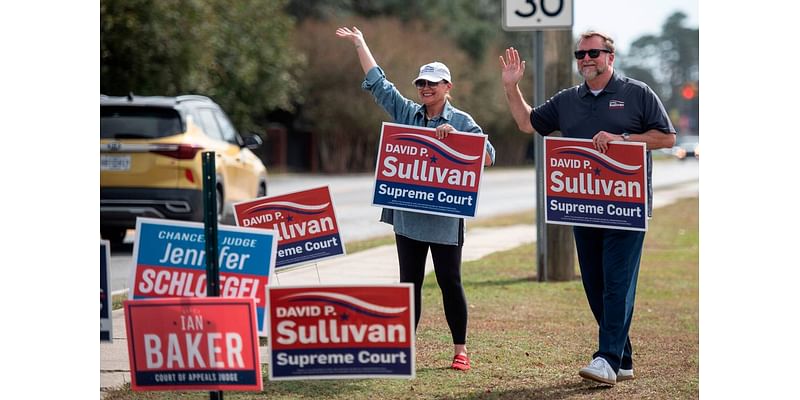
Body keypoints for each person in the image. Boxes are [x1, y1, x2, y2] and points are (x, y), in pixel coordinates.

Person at [499, 31, 676, 385]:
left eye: (594, 52)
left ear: (611, 56)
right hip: (584, 208)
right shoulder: (569, 99)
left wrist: (623, 139)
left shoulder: (636, 93)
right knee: (595, 284)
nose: (586, 59)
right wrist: (511, 87)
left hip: (627, 208)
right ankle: (622, 358)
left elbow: (666, 137)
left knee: (617, 283)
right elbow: (526, 122)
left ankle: (606, 359)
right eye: (580, 54)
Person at [336, 26, 496, 371]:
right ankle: (404, 349)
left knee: (449, 281)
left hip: (444, 220)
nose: (425, 88)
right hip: (407, 218)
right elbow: (380, 85)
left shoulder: (462, 121)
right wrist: (361, 42)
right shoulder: (408, 114)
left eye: (432, 84)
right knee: (409, 282)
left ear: (447, 88)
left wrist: (456, 140)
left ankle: (460, 350)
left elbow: (488, 157)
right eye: (421, 83)